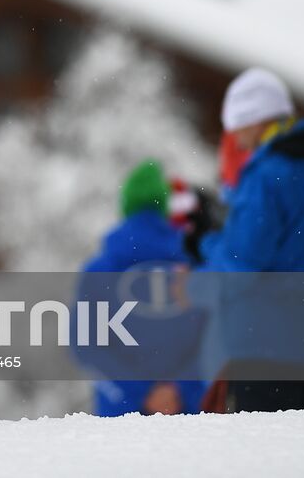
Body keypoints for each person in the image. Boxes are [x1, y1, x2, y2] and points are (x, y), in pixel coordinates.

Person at [196, 67, 304, 413]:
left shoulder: (268, 174)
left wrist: (205, 244)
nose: (236, 139)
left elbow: (240, 265)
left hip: (267, 348)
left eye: (237, 126)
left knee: (263, 460)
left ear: (256, 120)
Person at [78, 160, 206, 417]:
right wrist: (180, 390)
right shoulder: (194, 266)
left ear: (125, 205)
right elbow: (216, 337)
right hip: (190, 416)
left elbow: (85, 343)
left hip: (120, 417)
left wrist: (137, 392)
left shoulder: (99, 270)